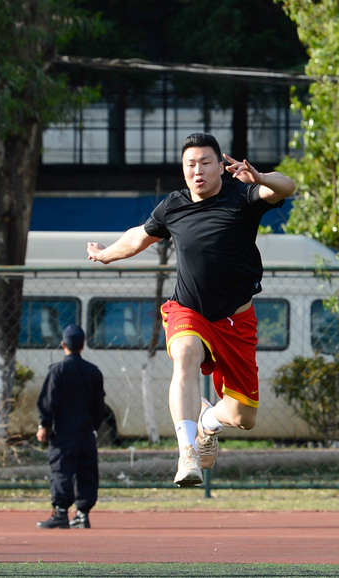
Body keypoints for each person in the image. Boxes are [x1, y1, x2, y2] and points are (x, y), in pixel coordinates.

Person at [86, 133, 295, 486]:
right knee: (184, 355)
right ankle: (187, 454)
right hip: (190, 311)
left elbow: (286, 186)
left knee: (244, 418)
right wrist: (104, 254)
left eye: (205, 163)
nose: (197, 170)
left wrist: (258, 178)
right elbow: (139, 237)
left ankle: (208, 423)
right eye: (190, 165)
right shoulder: (173, 206)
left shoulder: (242, 195)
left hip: (237, 319)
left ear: (220, 166)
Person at [35, 324, 106, 529]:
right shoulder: (93, 372)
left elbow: (48, 400)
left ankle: (61, 512)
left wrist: (44, 424)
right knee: (86, 469)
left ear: (63, 344)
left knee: (61, 469)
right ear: (83, 346)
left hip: (64, 430)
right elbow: (99, 405)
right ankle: (83, 514)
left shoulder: (57, 370)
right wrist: (93, 426)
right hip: (86, 431)